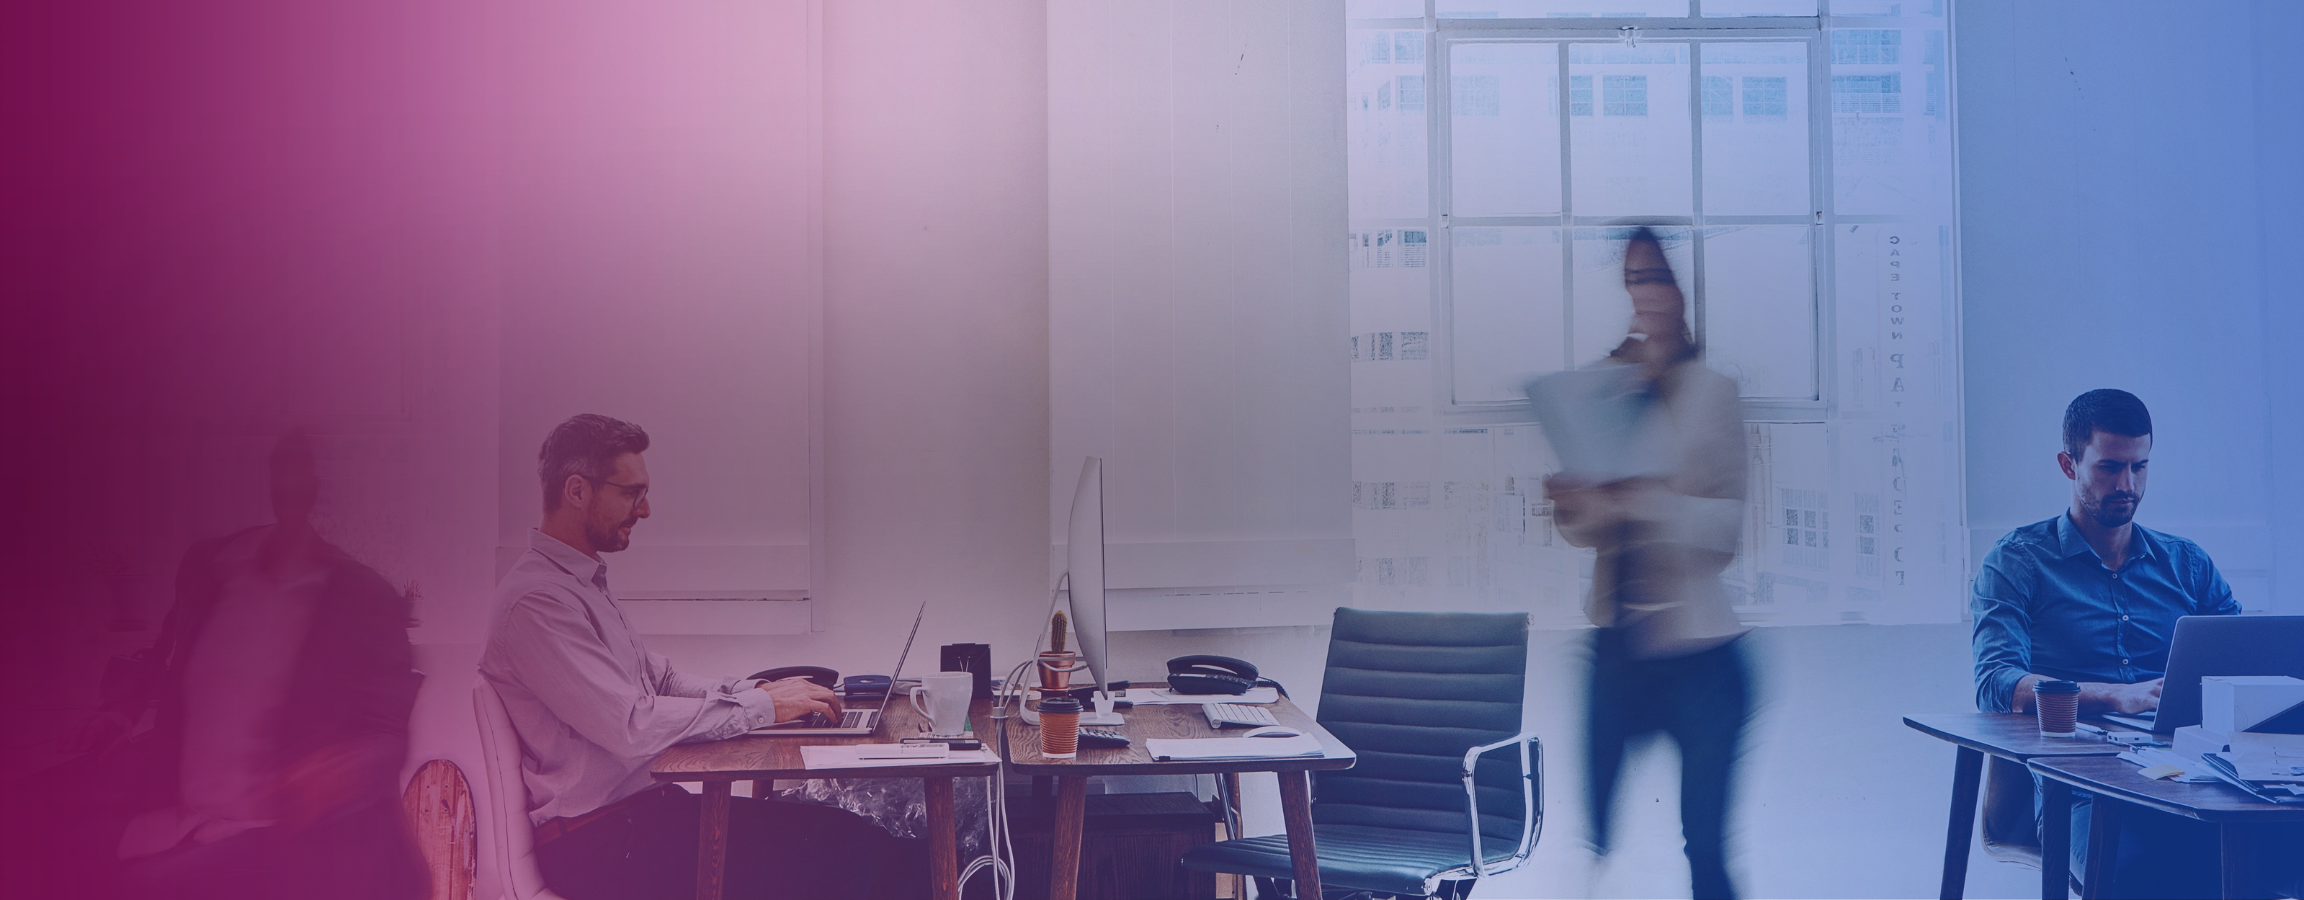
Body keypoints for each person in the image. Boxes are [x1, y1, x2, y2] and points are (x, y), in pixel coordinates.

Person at [480, 414, 927, 900]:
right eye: (631, 493)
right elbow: (631, 723)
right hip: (601, 845)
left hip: (643, 818)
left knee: (869, 842)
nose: (645, 509)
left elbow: (663, 678)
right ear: (577, 491)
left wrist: (758, 693)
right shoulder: (536, 602)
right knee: (845, 855)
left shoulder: (578, 585)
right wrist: (763, 708)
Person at [41, 434, 425, 900]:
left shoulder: (367, 599)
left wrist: (334, 771)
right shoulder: (210, 565)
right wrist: (121, 709)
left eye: (302, 475)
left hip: (275, 842)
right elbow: (165, 650)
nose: (290, 487)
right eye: (281, 471)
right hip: (175, 818)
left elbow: (387, 735)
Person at [1544, 227, 1751, 900]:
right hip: (1617, 645)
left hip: (1700, 656)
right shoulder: (1607, 388)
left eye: (1656, 276)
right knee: (1592, 844)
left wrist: (1644, 498)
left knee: (1706, 850)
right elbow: (1591, 534)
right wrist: (1576, 505)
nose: (1646, 292)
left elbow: (1724, 533)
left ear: (1683, 288)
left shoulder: (1713, 392)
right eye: (1635, 278)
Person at [1970, 389, 2237, 898]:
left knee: (2273, 857)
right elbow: (1996, 683)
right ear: (2068, 465)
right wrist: (2113, 694)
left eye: (2140, 467)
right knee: (2139, 876)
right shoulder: (2017, 563)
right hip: (2081, 789)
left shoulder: (2187, 565)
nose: (2127, 485)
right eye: (2110, 468)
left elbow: (2243, 659)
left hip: (2191, 777)